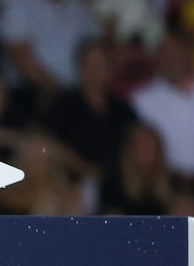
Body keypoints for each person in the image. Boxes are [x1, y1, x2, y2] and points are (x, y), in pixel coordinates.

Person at [0, 0, 96, 107]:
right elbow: (19, 54)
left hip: (78, 93)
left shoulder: (77, 4)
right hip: (33, 91)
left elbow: (95, 47)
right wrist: (55, 90)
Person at [128, 37, 194, 180]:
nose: (172, 59)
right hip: (167, 182)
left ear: (187, 54)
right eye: (166, 53)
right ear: (157, 58)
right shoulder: (142, 99)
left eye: (176, 52)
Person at [44, 40, 135, 180]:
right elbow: (52, 146)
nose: (97, 71)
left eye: (103, 65)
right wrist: (87, 170)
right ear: (80, 68)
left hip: (117, 186)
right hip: (71, 184)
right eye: (92, 65)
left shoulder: (123, 110)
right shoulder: (62, 107)